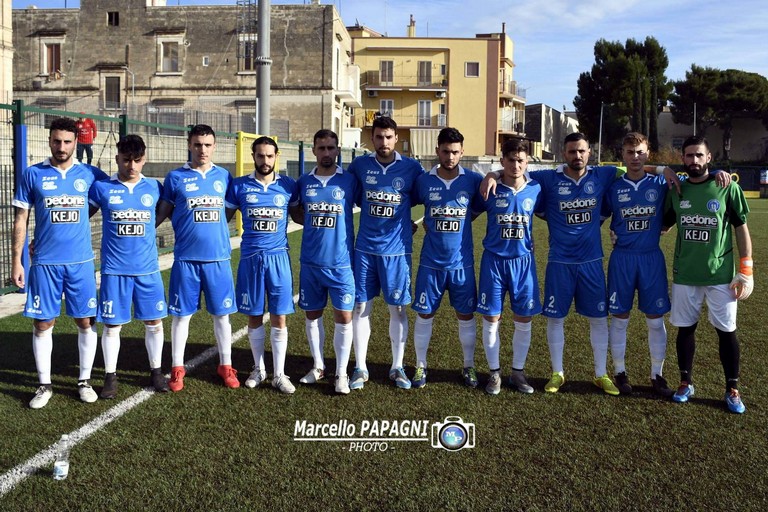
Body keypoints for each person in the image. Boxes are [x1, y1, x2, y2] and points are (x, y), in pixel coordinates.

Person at [481, 132, 621, 395]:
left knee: (599, 319)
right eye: (571, 151)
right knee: (554, 318)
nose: (577, 156)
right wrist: (492, 174)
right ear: (563, 153)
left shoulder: (604, 174)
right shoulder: (546, 179)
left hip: (591, 261)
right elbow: (514, 172)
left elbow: (634, 164)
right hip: (558, 261)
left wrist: (664, 170)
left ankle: (601, 374)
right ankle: (556, 373)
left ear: (589, 153)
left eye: (581, 151)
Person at [11, 116, 109, 409]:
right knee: (43, 323)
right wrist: (17, 261)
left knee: (85, 321)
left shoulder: (91, 174)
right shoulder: (33, 174)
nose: (62, 147)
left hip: (80, 262)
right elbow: (21, 218)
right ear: (49, 140)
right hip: (44, 263)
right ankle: (44, 385)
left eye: (67, 141)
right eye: (57, 141)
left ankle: (84, 381)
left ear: (77, 142)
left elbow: (112, 201)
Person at [662, 135, 753, 414]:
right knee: (685, 329)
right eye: (689, 156)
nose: (694, 161)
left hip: (720, 276)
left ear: (709, 158)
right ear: (683, 160)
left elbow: (741, 227)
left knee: (726, 332)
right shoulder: (677, 189)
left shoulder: (726, 187)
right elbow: (662, 226)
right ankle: (685, 382)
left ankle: (732, 388)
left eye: (699, 156)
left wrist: (746, 270)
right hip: (685, 275)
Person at [156, 124, 239, 392]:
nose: (202, 150)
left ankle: (226, 366)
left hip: (218, 259)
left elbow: (226, 212)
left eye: (207, 145)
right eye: (197, 144)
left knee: (222, 316)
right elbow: (165, 211)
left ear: (214, 146)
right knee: (181, 317)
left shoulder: (225, 176)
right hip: (186, 260)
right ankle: (177, 368)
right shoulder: (175, 177)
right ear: (189, 145)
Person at [347, 116, 425, 390]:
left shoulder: (412, 168)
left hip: (397, 253)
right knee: (361, 308)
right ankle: (360, 367)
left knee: (398, 309)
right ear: (372, 138)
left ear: (396, 138)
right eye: (379, 137)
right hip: (365, 250)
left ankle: (397, 366)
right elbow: (352, 195)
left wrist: (414, 225)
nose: (384, 142)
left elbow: (433, 193)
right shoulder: (359, 165)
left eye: (389, 137)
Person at [88, 134, 168, 398]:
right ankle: (110, 376)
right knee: (112, 326)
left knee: (154, 322)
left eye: (136, 160)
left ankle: (156, 372)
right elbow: (80, 217)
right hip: (114, 270)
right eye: (125, 160)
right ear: (117, 159)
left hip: (147, 269)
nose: (131, 166)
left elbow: (163, 213)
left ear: (144, 160)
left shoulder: (154, 188)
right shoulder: (102, 188)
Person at [225, 136, 301, 394]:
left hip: (279, 258)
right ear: (253, 156)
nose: (265, 160)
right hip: (250, 259)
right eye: (260, 155)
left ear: (276, 156)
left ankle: (279, 373)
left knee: (279, 316)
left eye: (270, 156)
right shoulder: (239, 186)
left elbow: (302, 214)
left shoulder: (289, 186)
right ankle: (259, 369)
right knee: (254, 315)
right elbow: (221, 217)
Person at [410, 127, 483, 389]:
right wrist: (407, 223)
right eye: (445, 151)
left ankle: (468, 365)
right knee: (424, 314)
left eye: (455, 152)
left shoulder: (473, 180)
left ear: (462, 152)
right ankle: (420, 366)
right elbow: (401, 201)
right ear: (437, 150)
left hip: (461, 264)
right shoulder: (424, 181)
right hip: (431, 264)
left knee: (466, 316)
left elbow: (481, 207)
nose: (450, 157)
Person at [603, 132, 673, 397]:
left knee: (655, 319)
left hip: (651, 257)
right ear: (622, 154)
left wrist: (664, 168)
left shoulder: (660, 182)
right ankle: (620, 372)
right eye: (630, 152)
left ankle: (657, 374)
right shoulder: (613, 187)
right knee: (620, 318)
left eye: (640, 152)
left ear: (648, 153)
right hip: (622, 258)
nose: (635, 157)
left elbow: (690, 183)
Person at [295, 129, 359, 394]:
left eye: (331, 148)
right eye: (321, 148)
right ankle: (319, 366)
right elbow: (297, 213)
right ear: (313, 150)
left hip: (342, 263)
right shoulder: (303, 182)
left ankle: (341, 373)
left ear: (338, 150)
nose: (326, 153)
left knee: (344, 317)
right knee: (312, 315)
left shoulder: (350, 181)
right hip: (311, 263)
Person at [475, 139, 542, 395]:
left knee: (523, 319)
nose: (516, 165)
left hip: (523, 263)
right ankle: (494, 374)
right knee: (492, 319)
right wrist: (491, 175)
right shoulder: (489, 189)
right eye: (511, 160)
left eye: (521, 160)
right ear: (502, 160)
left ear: (527, 162)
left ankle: (517, 372)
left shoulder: (536, 188)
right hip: (493, 261)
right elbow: (465, 213)